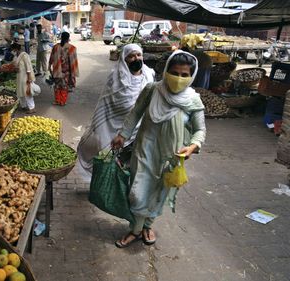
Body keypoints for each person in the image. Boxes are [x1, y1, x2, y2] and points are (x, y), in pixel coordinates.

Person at [111, 51, 206, 248]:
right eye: (174, 72)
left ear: (192, 75)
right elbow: (135, 112)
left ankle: (147, 226)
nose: (178, 78)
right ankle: (135, 229)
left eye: (184, 75)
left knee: (158, 194)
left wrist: (193, 147)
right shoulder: (152, 90)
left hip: (170, 157)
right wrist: (122, 135)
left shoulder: (193, 100)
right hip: (144, 150)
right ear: (166, 71)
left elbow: (200, 130)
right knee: (137, 192)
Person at [77, 44, 155, 179]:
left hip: (139, 128)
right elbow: (107, 102)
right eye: (131, 56)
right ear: (124, 59)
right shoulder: (116, 77)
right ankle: (106, 184)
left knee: (132, 161)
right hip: (113, 125)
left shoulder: (149, 75)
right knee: (105, 153)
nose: (136, 58)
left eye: (138, 55)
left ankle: (124, 187)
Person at [48, 32, 79, 106]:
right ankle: (63, 101)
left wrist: (49, 66)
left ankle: (57, 100)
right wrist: (73, 73)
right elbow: (74, 61)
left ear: (61, 37)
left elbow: (51, 58)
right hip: (67, 72)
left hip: (57, 70)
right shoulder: (72, 48)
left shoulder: (56, 47)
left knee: (57, 86)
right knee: (64, 86)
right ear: (68, 38)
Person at [11, 43, 36, 114]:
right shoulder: (16, 56)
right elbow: (15, 65)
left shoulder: (24, 55)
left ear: (16, 49)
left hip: (25, 76)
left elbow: (28, 67)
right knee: (20, 91)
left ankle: (32, 108)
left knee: (27, 92)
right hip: (19, 76)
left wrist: (29, 78)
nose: (12, 51)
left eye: (13, 49)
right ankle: (23, 106)